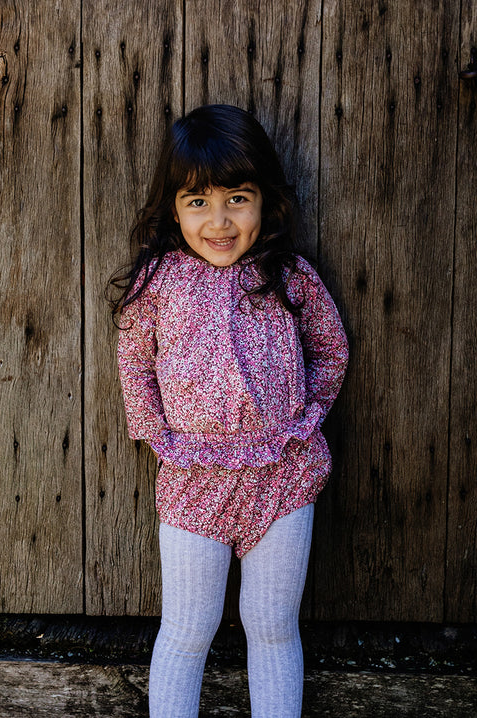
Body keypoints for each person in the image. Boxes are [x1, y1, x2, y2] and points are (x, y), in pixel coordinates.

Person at [111, 104, 348, 718]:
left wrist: (308, 414)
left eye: (237, 199)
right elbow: (135, 356)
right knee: (188, 629)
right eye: (198, 203)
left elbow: (330, 344)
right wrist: (155, 433)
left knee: (271, 625)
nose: (218, 221)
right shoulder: (159, 281)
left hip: (281, 474)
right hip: (194, 479)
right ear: (173, 208)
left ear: (265, 200)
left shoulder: (287, 275)